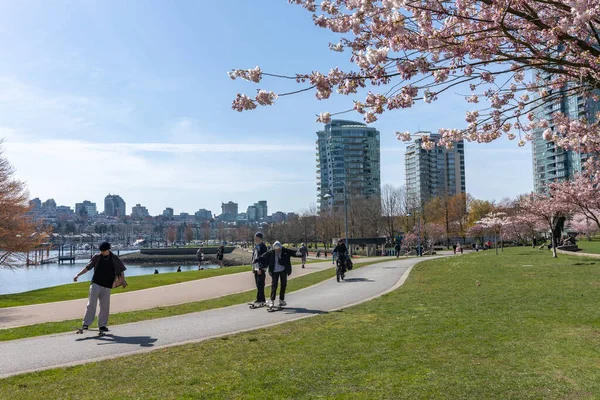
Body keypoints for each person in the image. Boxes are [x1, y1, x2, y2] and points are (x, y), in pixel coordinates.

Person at [73, 241, 127, 333]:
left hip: (107, 285)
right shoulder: (97, 257)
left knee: (105, 306)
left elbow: (121, 269)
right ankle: (86, 324)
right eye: (101, 250)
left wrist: (123, 280)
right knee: (91, 304)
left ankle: (102, 325)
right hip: (96, 283)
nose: (102, 252)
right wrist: (78, 275)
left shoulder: (114, 258)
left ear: (108, 250)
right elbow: (88, 267)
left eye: (104, 250)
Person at [255, 241, 301, 308]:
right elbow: (263, 256)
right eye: (275, 249)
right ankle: (272, 301)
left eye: (278, 248)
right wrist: (256, 260)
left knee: (283, 284)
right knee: (274, 285)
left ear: (280, 247)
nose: (277, 250)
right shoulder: (271, 252)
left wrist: (300, 253)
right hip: (274, 271)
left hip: (283, 270)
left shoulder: (285, 251)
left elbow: (293, 253)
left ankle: (281, 300)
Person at [251, 232, 268, 307]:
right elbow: (254, 256)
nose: (255, 238)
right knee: (258, 284)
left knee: (260, 283)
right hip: (256, 267)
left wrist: (260, 268)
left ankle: (261, 299)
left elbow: (264, 258)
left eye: (256, 237)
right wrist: (253, 267)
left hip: (260, 268)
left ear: (259, 238)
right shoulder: (256, 246)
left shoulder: (263, 246)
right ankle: (259, 298)